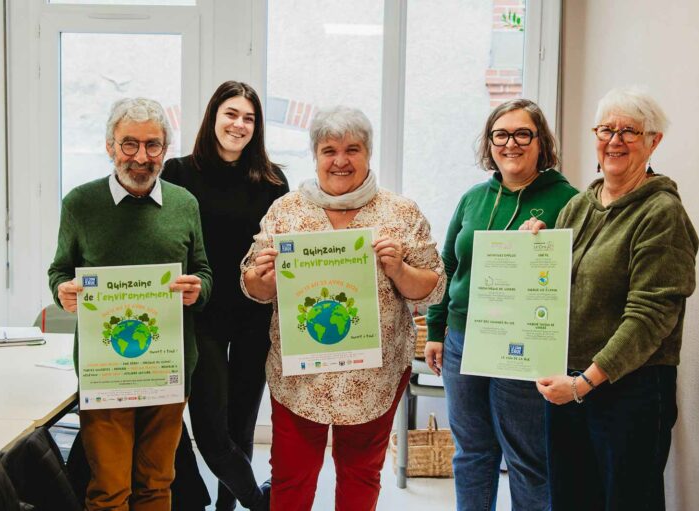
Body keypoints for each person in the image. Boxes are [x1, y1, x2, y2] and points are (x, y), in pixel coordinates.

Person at [241, 105, 445, 510]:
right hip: (300, 379)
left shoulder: (399, 213)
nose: (340, 160)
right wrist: (263, 279)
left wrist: (400, 269)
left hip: (372, 379)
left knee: (361, 477)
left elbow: (434, 288)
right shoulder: (287, 212)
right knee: (291, 479)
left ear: (368, 154)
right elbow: (252, 285)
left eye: (352, 149)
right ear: (315, 155)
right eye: (328, 150)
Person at [523, 87, 698, 510]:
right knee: (570, 499)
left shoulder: (661, 213)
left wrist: (584, 383)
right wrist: (535, 251)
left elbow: (650, 316)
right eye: (606, 129)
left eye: (630, 131)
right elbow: (556, 287)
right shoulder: (579, 206)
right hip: (568, 383)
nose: (615, 140)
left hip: (629, 390)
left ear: (654, 141)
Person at [48, 97, 213, 511]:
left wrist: (199, 289)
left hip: (168, 367)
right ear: (109, 146)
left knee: (158, 483)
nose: (141, 157)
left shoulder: (184, 204)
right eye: (129, 144)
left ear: (165, 149)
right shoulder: (80, 204)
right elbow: (59, 271)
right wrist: (63, 291)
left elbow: (204, 272)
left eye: (153, 145)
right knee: (108, 490)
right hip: (105, 370)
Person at [424, 99, 578, 511]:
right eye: (501, 134)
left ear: (540, 141)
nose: (511, 143)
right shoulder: (474, 198)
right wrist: (437, 332)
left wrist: (548, 242)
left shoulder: (568, 201)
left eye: (522, 134)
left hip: (523, 342)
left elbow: (579, 271)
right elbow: (447, 264)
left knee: (527, 458)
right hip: (463, 339)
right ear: (490, 143)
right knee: (471, 451)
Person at [161, 81, 288, 511]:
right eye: (231, 114)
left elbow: (283, 248)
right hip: (201, 315)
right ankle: (258, 501)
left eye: (249, 118)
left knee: (241, 428)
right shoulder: (177, 173)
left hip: (255, 315)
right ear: (213, 116)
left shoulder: (272, 181)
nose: (239, 124)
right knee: (212, 430)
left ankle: (228, 506)